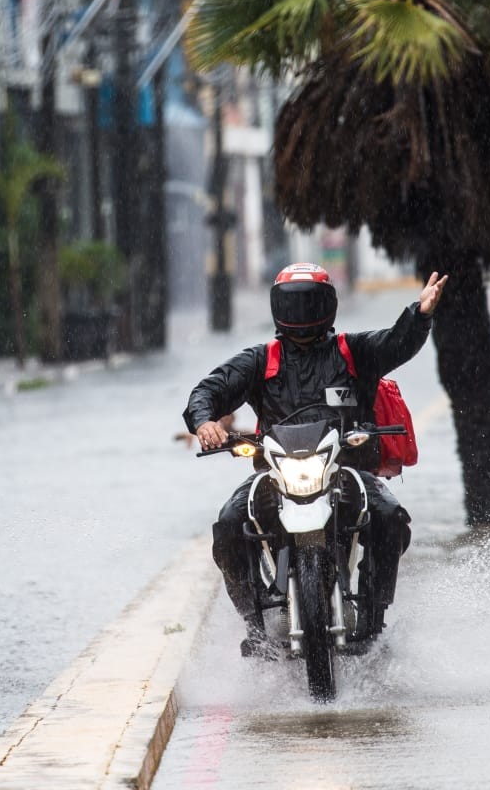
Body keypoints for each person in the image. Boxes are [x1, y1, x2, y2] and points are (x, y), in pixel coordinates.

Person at [184, 263, 447, 653]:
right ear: (277, 308)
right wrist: (204, 421)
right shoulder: (260, 360)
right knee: (227, 527)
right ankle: (255, 626)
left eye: (310, 303)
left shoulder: (353, 351)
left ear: (328, 305)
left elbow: (396, 342)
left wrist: (420, 313)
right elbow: (209, 389)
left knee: (390, 517)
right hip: (275, 476)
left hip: (345, 472)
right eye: (292, 304)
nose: (301, 313)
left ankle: (374, 617)